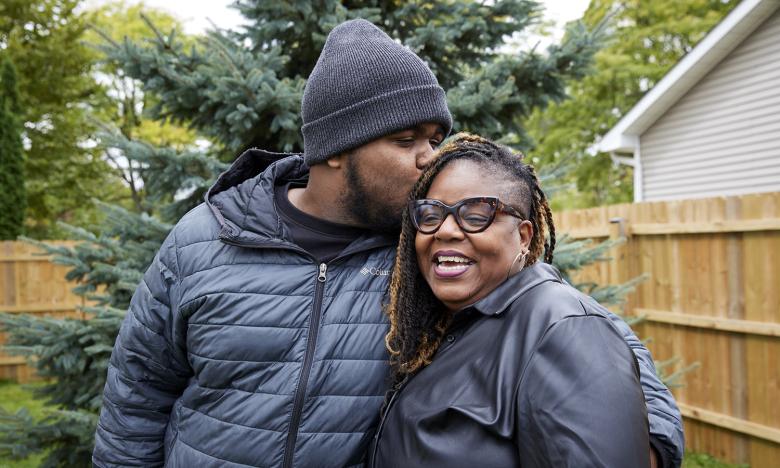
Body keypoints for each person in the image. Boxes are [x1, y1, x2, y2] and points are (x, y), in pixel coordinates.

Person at [92, 19, 683, 468]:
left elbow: (576, 332)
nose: (431, 157)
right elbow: (137, 398)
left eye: (436, 137)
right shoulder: (206, 238)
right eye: (407, 139)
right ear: (335, 149)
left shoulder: (430, 252)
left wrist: (648, 441)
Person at [370, 133, 657, 467]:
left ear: (523, 237)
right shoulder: (445, 325)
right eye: (432, 214)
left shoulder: (562, 330)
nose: (445, 230)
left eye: (476, 214)